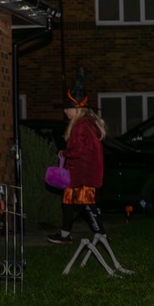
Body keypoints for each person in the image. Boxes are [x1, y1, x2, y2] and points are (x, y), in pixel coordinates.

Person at [47, 69, 108, 245]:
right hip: (78, 174)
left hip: (83, 175)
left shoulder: (81, 125)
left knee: (88, 205)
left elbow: (79, 149)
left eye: (68, 108)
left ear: (76, 109)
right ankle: (65, 235)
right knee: (68, 202)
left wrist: (65, 153)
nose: (65, 111)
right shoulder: (87, 122)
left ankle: (102, 235)